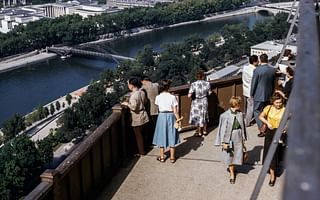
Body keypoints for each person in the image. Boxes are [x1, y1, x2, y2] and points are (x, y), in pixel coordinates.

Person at [214, 96, 247, 184]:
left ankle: (233, 169)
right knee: (229, 156)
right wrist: (223, 142)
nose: (240, 106)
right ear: (236, 104)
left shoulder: (240, 114)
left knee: (238, 154)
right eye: (239, 104)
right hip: (229, 138)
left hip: (238, 135)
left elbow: (243, 127)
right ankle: (232, 173)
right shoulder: (224, 115)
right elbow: (222, 129)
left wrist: (244, 139)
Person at [259, 92, 285, 187]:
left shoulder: (285, 110)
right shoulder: (268, 108)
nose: (279, 104)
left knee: (278, 153)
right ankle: (272, 176)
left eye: (280, 102)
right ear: (273, 102)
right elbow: (260, 116)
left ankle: (274, 167)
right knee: (271, 154)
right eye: (277, 102)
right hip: (270, 133)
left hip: (280, 133)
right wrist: (267, 123)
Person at [152, 80, 181, 163]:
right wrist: (179, 121)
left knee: (161, 135)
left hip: (161, 116)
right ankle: (172, 158)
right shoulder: (172, 97)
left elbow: (158, 106)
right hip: (171, 116)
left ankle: (162, 157)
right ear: (169, 87)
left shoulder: (158, 97)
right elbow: (175, 111)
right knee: (172, 135)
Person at [251, 53, 277, 137]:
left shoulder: (257, 70)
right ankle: (266, 125)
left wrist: (252, 93)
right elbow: (273, 83)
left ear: (260, 60)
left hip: (258, 94)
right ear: (267, 59)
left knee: (256, 110)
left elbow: (254, 83)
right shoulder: (272, 70)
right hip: (269, 94)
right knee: (267, 111)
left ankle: (261, 128)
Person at [121, 77, 149, 156]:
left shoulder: (133, 96)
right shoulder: (142, 92)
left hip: (137, 118)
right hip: (144, 115)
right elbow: (145, 101)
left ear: (132, 85)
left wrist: (127, 104)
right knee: (144, 135)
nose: (128, 86)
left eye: (128, 84)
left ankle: (141, 152)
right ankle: (145, 149)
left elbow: (134, 107)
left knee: (138, 136)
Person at [188, 70, 212, 137]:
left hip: (196, 101)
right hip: (204, 100)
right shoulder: (207, 84)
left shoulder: (193, 84)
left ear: (196, 77)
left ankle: (198, 131)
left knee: (197, 116)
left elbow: (189, 95)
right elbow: (209, 93)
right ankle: (204, 130)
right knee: (204, 115)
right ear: (203, 76)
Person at [141, 76, 159, 147]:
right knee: (157, 126)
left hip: (150, 110)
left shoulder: (143, 88)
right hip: (158, 108)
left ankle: (154, 142)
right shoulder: (156, 85)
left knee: (152, 127)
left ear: (143, 81)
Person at [242, 55, 259, 127]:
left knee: (246, 107)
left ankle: (245, 119)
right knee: (251, 108)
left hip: (245, 89)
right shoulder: (255, 71)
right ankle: (247, 122)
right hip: (251, 91)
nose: (258, 62)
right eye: (257, 60)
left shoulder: (245, 68)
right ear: (255, 62)